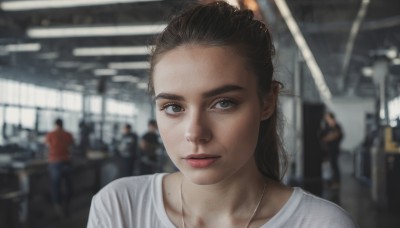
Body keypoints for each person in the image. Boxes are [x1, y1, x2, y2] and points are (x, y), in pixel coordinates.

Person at [87, 2, 357, 227]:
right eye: (174, 107)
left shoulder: (322, 223)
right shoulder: (120, 208)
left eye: (223, 103)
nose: (195, 133)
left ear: (267, 102)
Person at [46, 118, 74, 217]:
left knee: (56, 186)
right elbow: (71, 146)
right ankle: (67, 206)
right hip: (66, 162)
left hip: (54, 162)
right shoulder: (68, 134)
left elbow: (48, 146)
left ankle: (58, 207)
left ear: (55, 124)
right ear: (62, 124)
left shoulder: (50, 134)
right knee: (68, 186)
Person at [320, 112, 343, 188]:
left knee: (334, 165)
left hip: (334, 149)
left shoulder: (337, 126)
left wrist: (331, 137)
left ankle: (337, 182)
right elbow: (322, 137)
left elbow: (338, 135)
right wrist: (330, 137)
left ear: (331, 118)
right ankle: (329, 181)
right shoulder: (326, 127)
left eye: (327, 117)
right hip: (327, 149)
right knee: (327, 166)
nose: (326, 119)